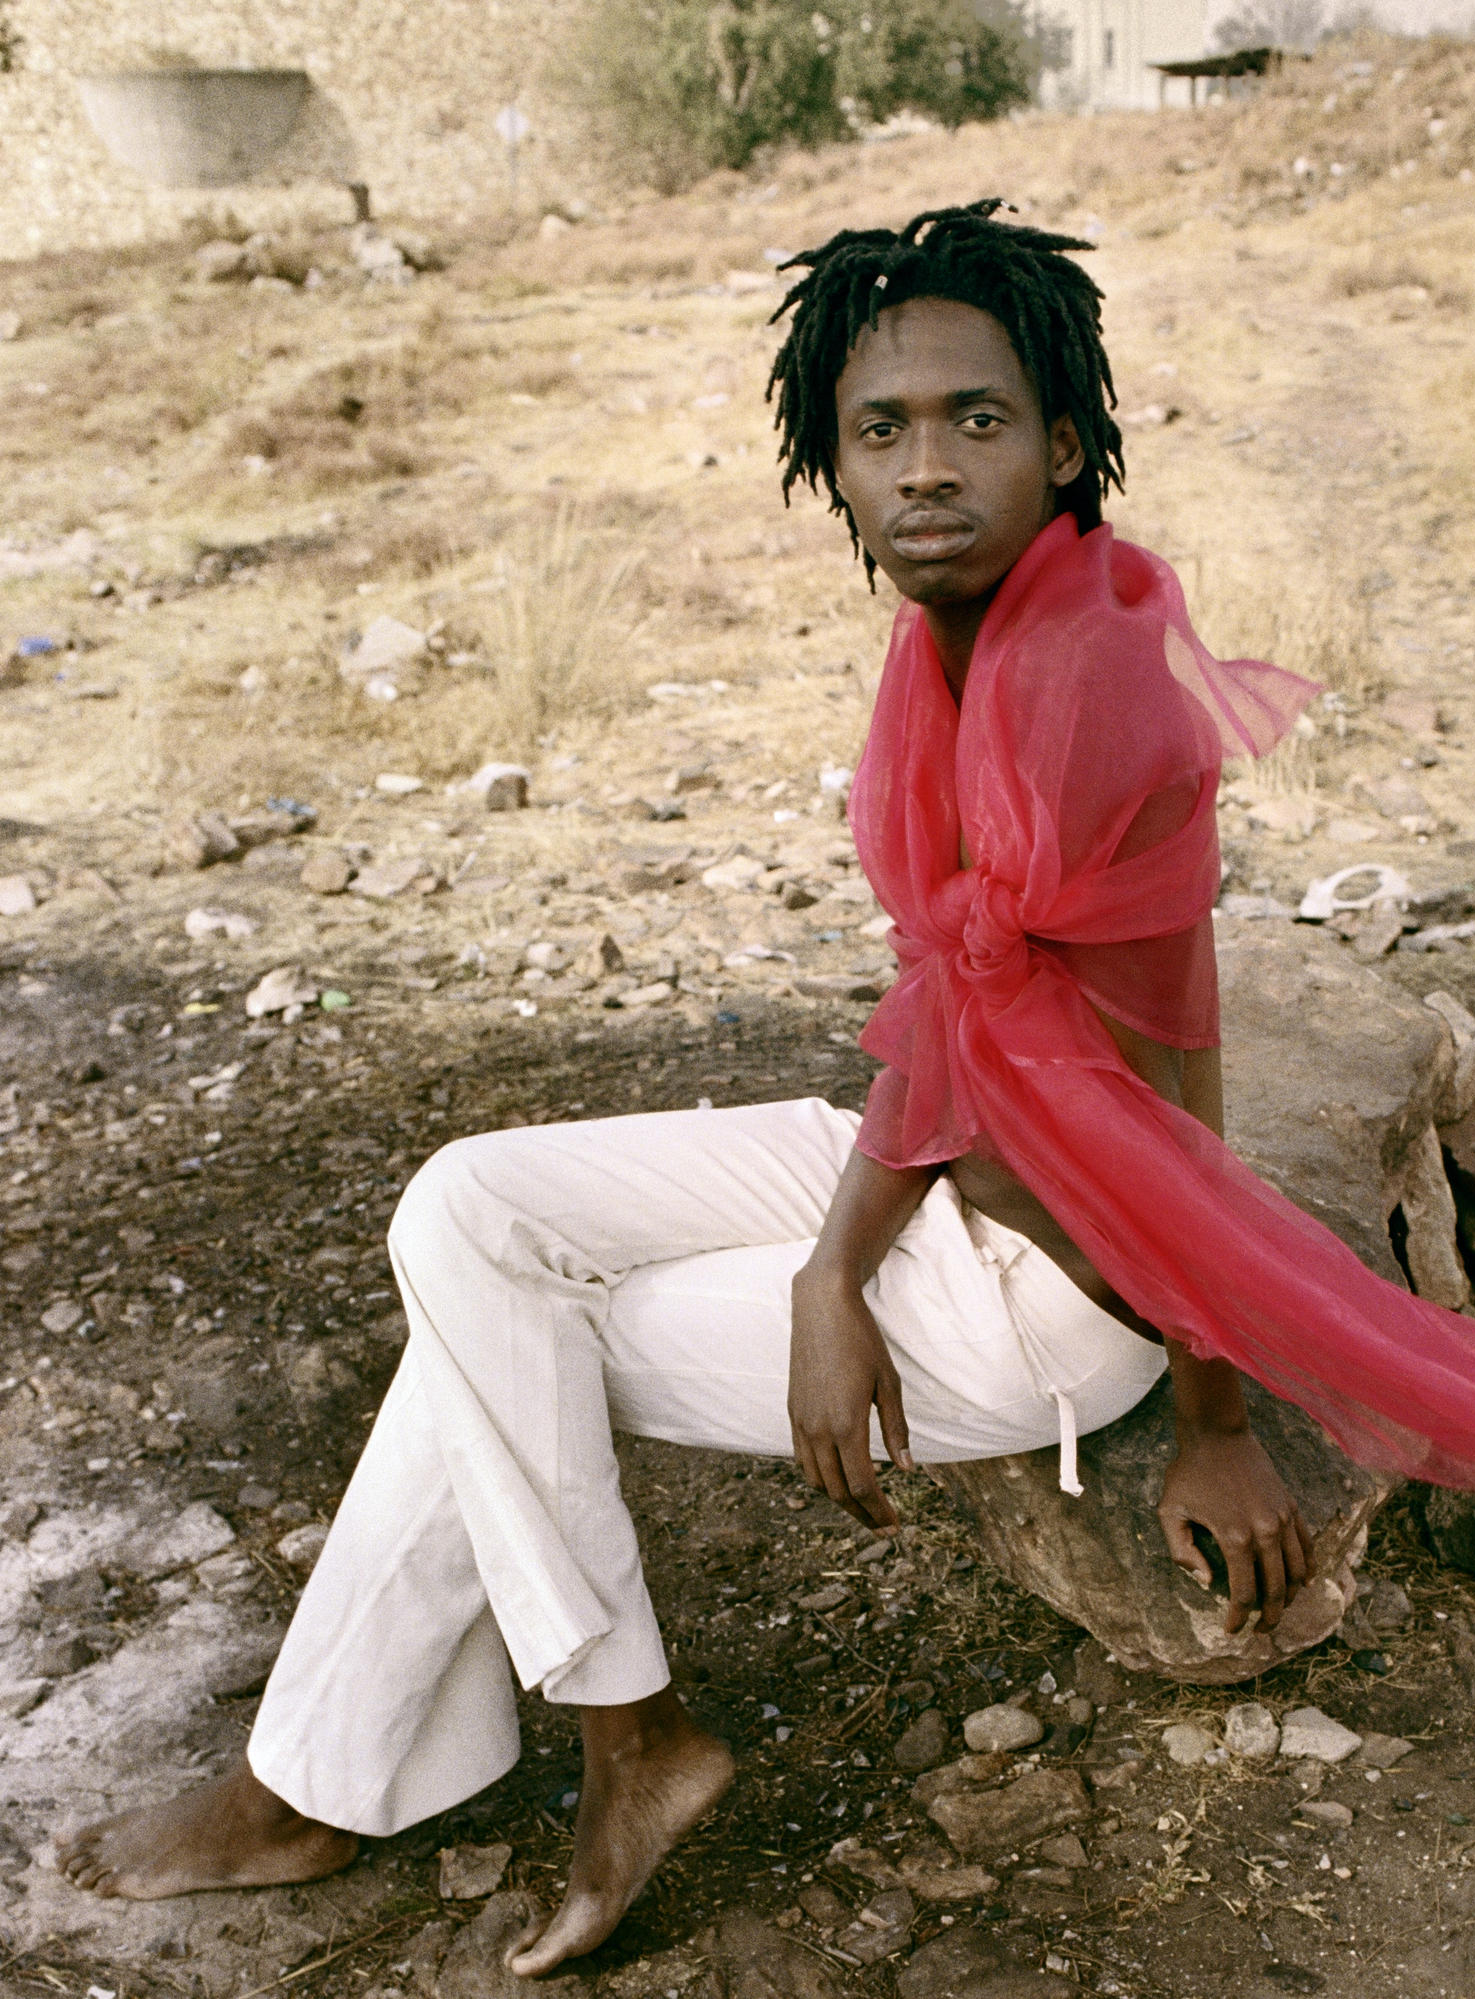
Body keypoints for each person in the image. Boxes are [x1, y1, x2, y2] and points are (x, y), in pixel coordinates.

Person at [53, 201, 1320, 1977]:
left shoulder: (1080, 675)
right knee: (467, 1216)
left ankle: (483, 1761)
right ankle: (562, 1740)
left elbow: (1153, 1082)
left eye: (978, 418)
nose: (930, 466)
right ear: (831, 466)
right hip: (942, 1171)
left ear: (1065, 440)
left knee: (503, 1339)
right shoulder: (968, 635)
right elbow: (966, 1025)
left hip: (1041, 1294)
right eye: (881, 430)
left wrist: (1201, 1408)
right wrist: (838, 1253)